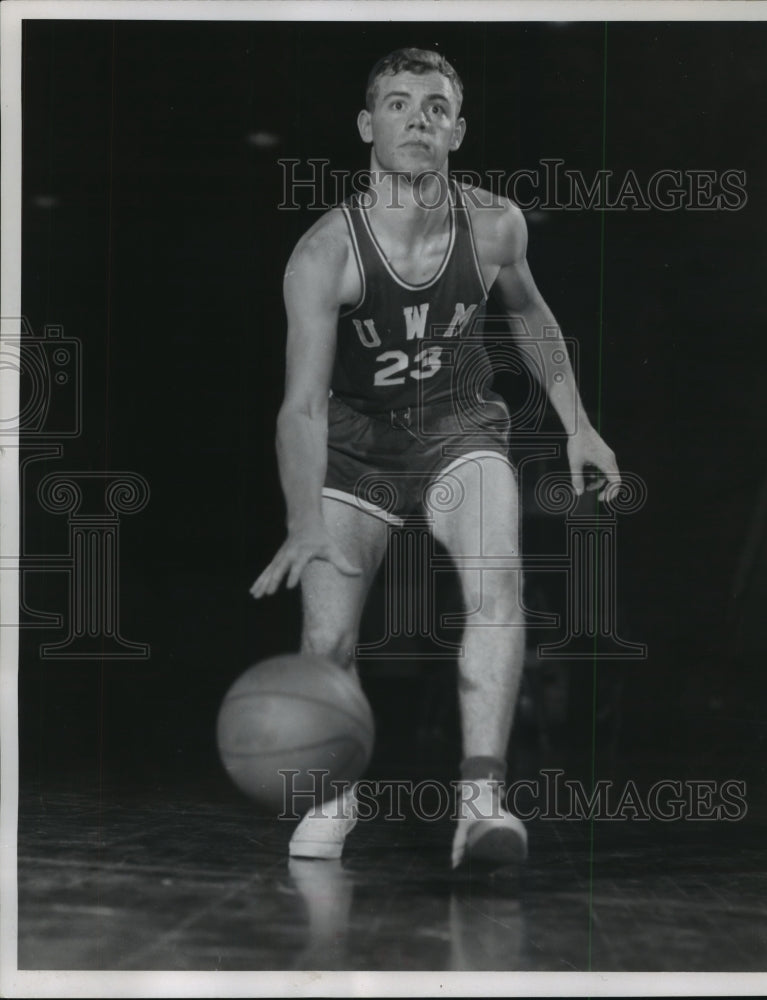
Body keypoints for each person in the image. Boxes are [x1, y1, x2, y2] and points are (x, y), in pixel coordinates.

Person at [250, 48, 620, 867]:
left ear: (456, 128)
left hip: (458, 429)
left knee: (498, 585)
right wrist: (304, 518)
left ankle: (480, 804)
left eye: (434, 105)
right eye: (397, 102)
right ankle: (334, 794)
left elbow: (532, 319)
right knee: (328, 641)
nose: (417, 117)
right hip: (355, 447)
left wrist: (576, 423)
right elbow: (302, 405)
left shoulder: (494, 225)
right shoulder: (325, 253)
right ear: (366, 125)